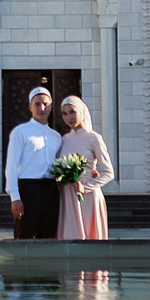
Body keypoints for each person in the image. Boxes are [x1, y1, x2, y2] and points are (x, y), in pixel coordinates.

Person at [4, 86, 61, 239]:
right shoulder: (21, 132)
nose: (41, 108)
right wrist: (15, 197)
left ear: (51, 106)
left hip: (51, 190)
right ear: (30, 106)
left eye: (45, 104)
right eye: (37, 104)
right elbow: (11, 165)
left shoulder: (56, 136)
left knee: (48, 236)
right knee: (24, 236)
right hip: (28, 190)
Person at [54, 97, 113, 241]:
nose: (69, 117)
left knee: (89, 237)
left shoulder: (94, 138)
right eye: (64, 113)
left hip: (88, 197)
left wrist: (85, 187)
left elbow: (109, 172)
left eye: (72, 112)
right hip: (67, 195)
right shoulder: (64, 140)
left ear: (81, 112)